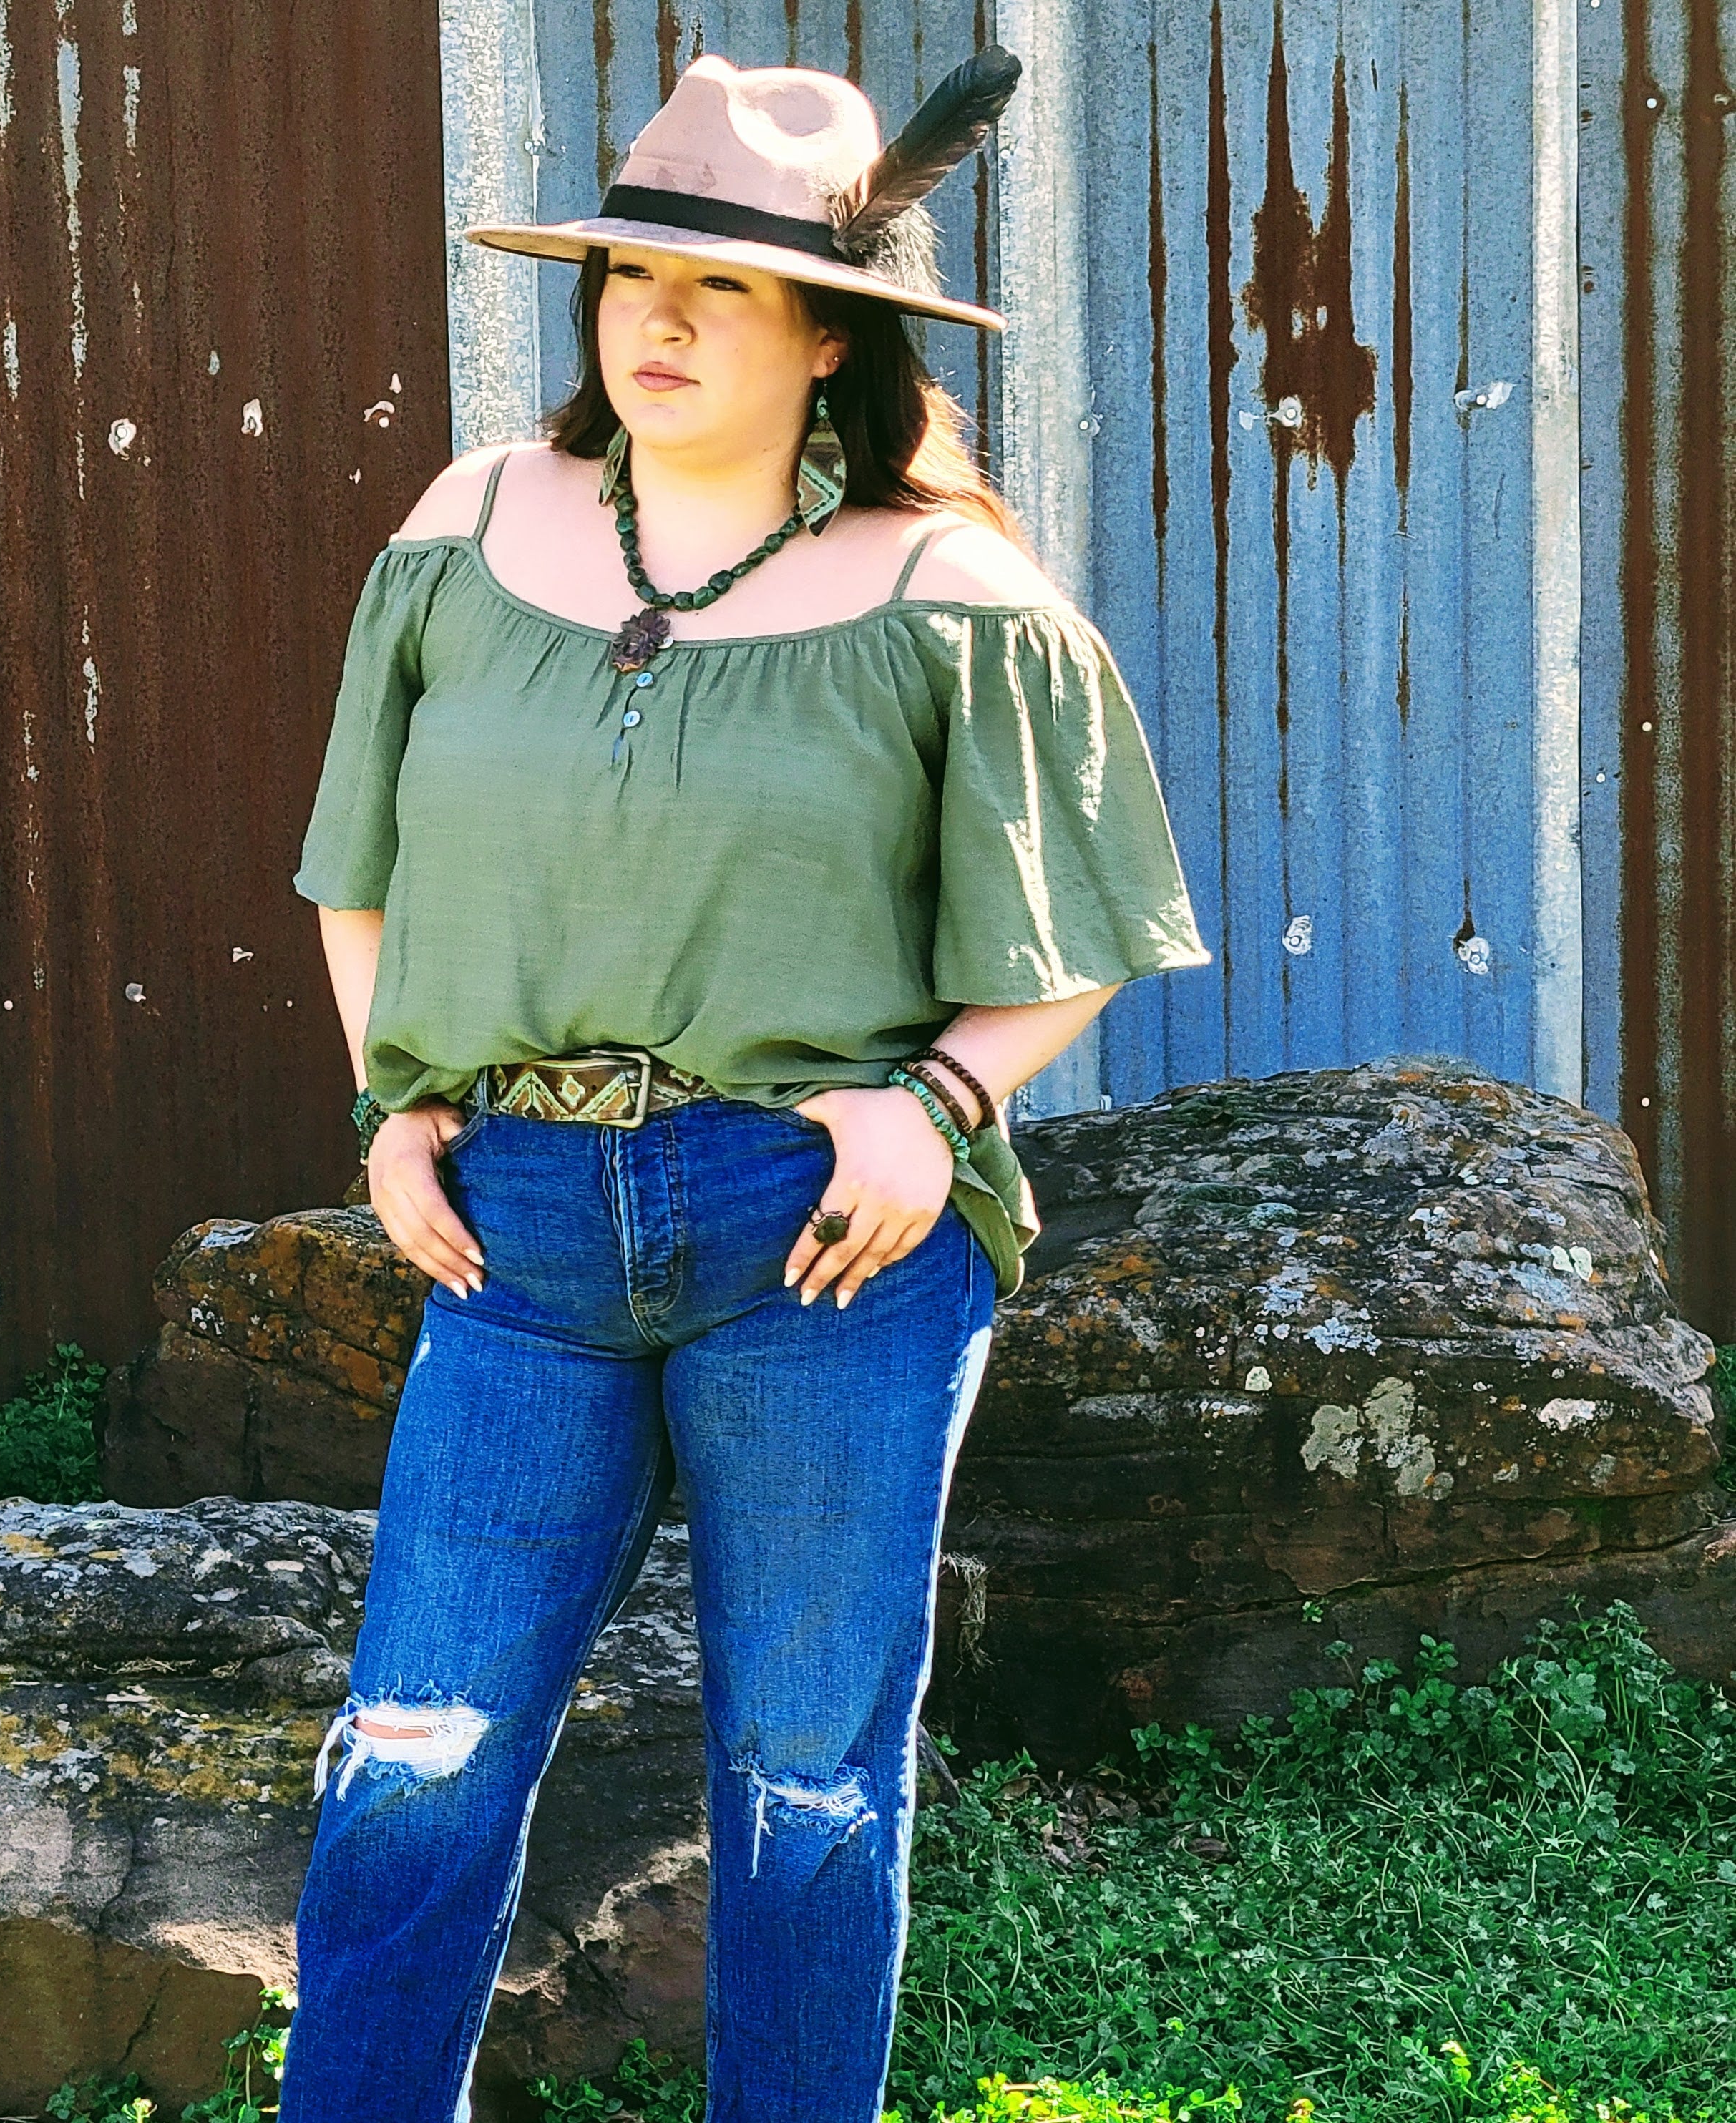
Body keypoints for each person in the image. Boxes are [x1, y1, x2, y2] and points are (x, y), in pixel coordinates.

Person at [277, 47, 1210, 2123]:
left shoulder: (948, 589)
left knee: (805, 1786)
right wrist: (390, 1104)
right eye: (629, 274)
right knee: (413, 1759)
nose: (660, 319)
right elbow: (362, 865)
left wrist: (941, 1101)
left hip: (819, 1239)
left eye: (723, 288)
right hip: (512, 1223)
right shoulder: (465, 525)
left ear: (831, 335)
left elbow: (1082, 922)